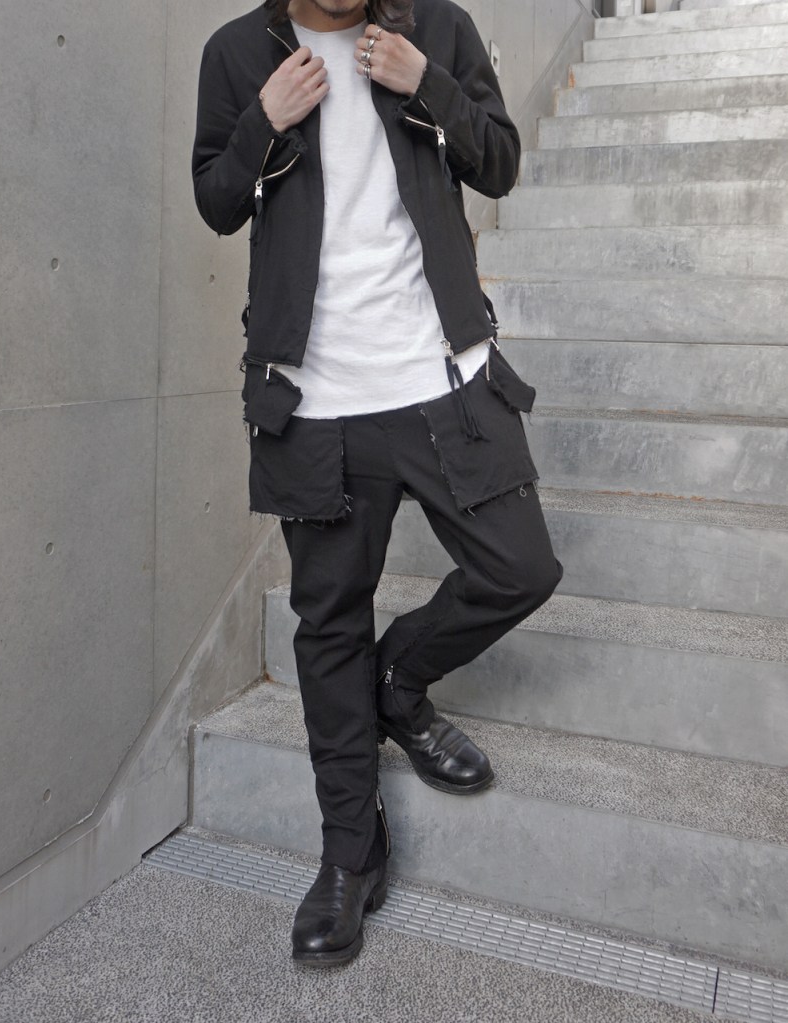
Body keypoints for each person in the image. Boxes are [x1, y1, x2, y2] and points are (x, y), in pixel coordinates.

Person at [192, 0, 563, 967]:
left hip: (443, 376)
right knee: (329, 625)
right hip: (314, 399)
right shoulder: (236, 54)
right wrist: (263, 121)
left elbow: (500, 163)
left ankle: (398, 681)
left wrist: (425, 82)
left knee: (521, 568)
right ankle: (350, 853)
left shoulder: (435, 27)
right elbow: (216, 199)